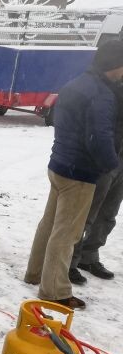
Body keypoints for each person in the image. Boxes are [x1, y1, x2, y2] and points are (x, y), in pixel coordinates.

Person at [24, 41, 123, 309]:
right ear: (115, 65)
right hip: (80, 171)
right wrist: (110, 164)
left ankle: (34, 272)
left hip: (59, 164)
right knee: (67, 232)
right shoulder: (101, 95)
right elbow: (99, 137)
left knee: (50, 223)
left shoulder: (77, 83)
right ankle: (54, 290)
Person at [68, 80, 123, 285]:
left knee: (108, 213)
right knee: (86, 214)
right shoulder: (109, 86)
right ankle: (70, 262)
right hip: (105, 159)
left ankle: (89, 257)